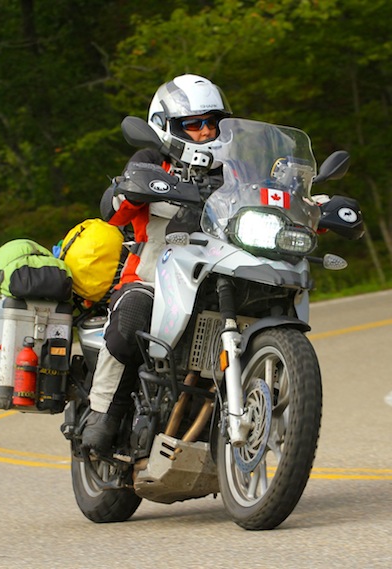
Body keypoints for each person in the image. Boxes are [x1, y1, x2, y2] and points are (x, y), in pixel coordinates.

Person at [81, 74, 232, 453]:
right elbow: (114, 210)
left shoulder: (235, 170)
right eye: (192, 124)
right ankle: (103, 414)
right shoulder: (152, 160)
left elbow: (272, 190)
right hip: (153, 277)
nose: (204, 131)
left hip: (223, 277)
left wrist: (310, 204)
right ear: (165, 127)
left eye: (211, 123)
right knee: (132, 312)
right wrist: (128, 189)